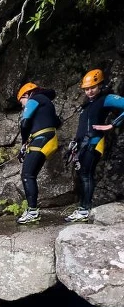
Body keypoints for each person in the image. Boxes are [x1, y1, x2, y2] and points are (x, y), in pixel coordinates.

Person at [64, 69, 124, 222]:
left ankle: (85, 209)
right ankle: (82, 208)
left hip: (94, 143)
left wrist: (112, 125)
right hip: (83, 145)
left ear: (100, 85)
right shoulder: (87, 105)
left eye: (93, 87)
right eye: (86, 89)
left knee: (86, 174)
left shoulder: (105, 99)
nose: (89, 91)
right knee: (82, 175)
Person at [16, 82, 61, 224]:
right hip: (47, 139)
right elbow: (57, 122)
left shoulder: (34, 99)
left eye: (22, 101)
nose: (22, 105)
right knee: (30, 174)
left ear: (27, 94)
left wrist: (23, 143)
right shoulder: (46, 102)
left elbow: (25, 122)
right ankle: (32, 210)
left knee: (27, 175)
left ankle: (33, 211)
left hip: (42, 139)